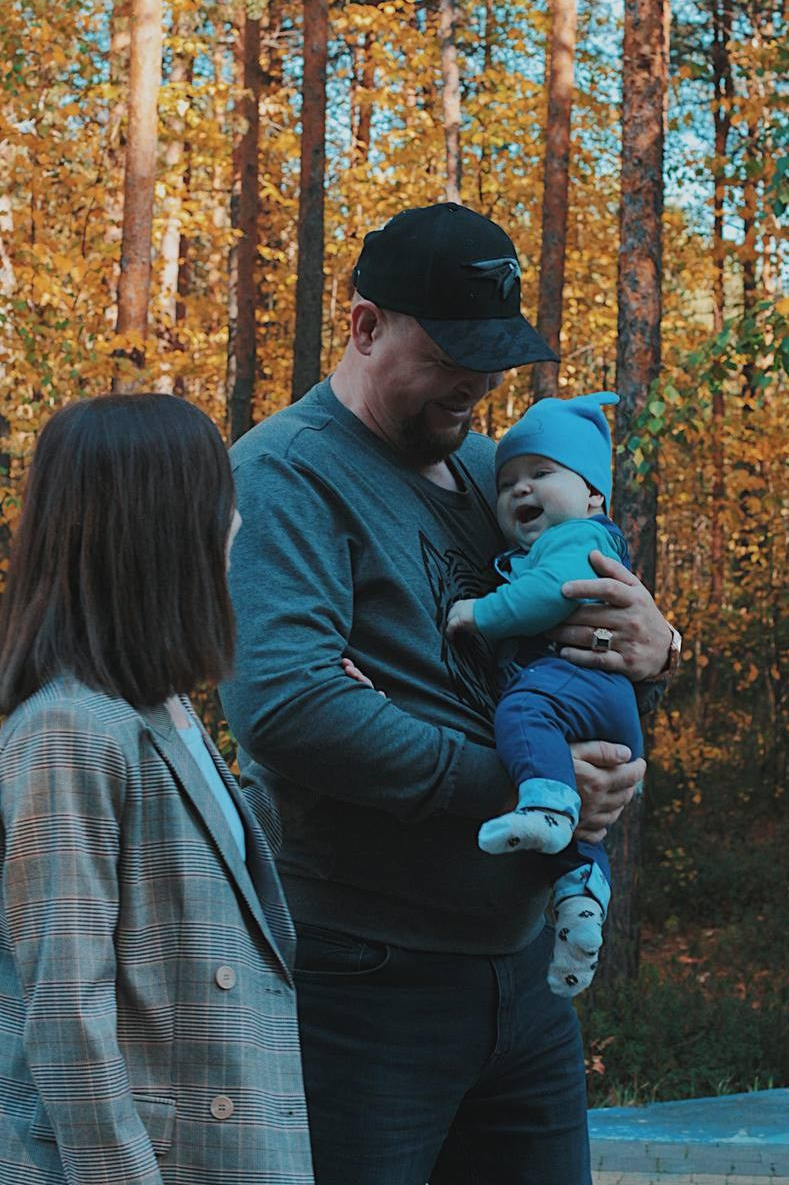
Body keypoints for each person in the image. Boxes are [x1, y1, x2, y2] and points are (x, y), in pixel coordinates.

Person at [220, 202, 679, 1185]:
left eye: (496, 354)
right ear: (364, 325)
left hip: (522, 966)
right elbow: (290, 709)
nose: (478, 382)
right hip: (365, 975)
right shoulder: (283, 476)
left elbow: (573, 615)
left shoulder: (490, 468)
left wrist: (657, 644)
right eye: (452, 352)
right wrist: (523, 786)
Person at [0, 395, 313, 1185]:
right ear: (163, 527)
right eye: (220, 501)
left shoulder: (163, 711)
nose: (236, 525)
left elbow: (215, 887)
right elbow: (66, 1011)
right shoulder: (69, 730)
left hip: (231, 1147)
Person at [446, 391, 645, 999]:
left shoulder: (576, 539)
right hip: (603, 705)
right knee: (585, 840)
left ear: (592, 496)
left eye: (541, 473)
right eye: (507, 483)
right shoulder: (565, 537)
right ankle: (581, 909)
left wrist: (477, 612)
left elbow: (547, 597)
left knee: (524, 710)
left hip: (580, 684)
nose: (520, 491)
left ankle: (548, 805)